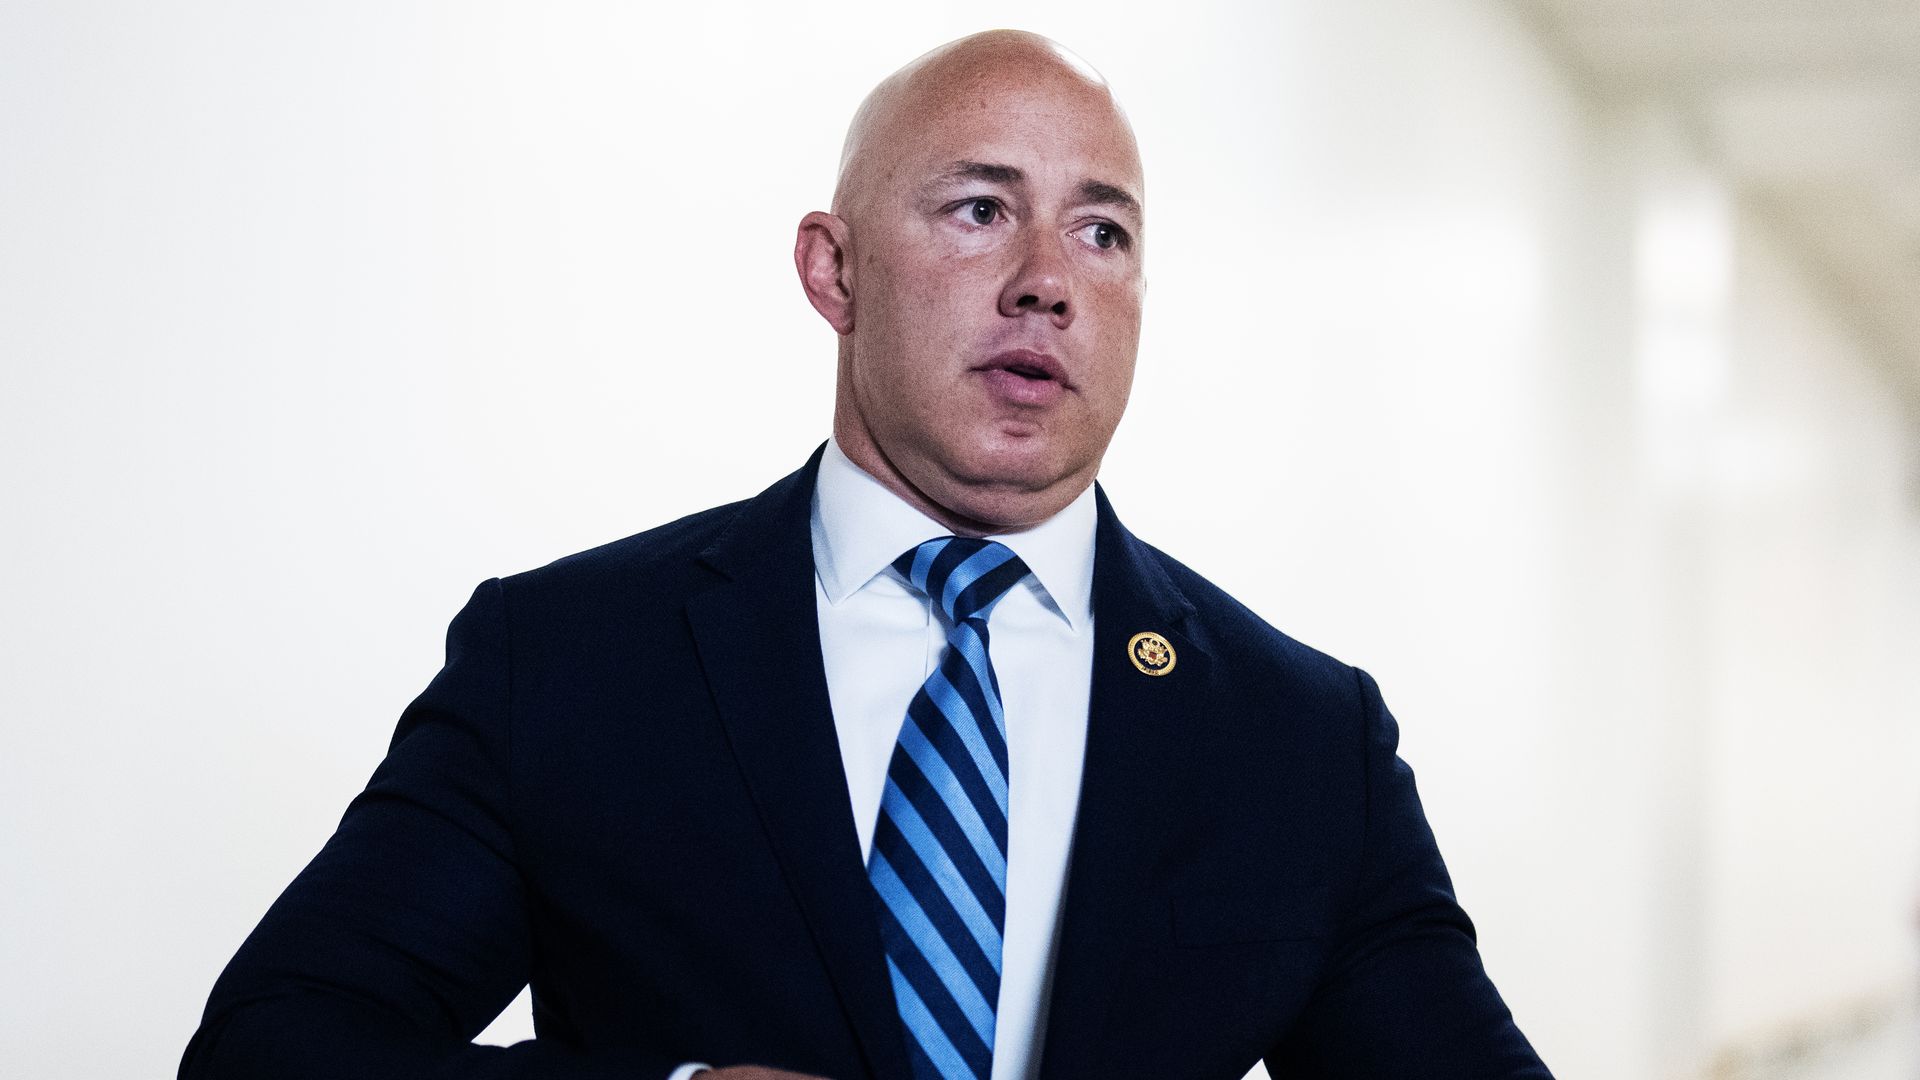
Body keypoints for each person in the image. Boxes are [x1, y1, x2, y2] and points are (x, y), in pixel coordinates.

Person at [181, 29, 1552, 1080]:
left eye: (1102, 231)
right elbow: (276, 1046)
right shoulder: (568, 661)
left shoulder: (1299, 740)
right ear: (833, 272)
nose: (1047, 279)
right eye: (979, 208)